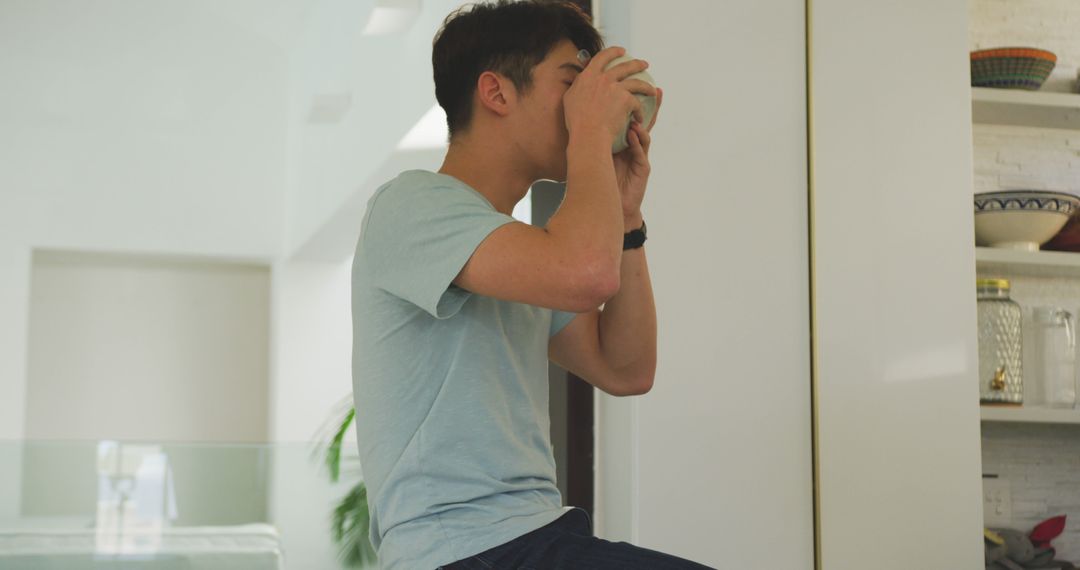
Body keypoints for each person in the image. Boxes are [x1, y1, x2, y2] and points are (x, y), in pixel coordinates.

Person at [351, 1, 710, 568]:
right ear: (496, 93)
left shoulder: (520, 249)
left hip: (532, 537)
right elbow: (585, 276)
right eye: (572, 84)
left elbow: (626, 368)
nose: (581, 107)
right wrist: (591, 135)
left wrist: (626, 220)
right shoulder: (411, 204)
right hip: (462, 548)